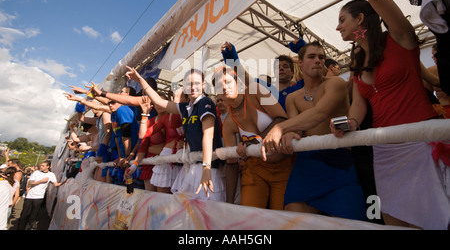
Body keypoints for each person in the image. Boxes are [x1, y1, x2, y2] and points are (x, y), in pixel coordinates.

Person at [313, 0, 449, 229]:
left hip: (420, 143)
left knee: (432, 220)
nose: (337, 28)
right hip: (384, 148)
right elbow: (360, 107)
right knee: (393, 221)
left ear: (360, 19)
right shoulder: (357, 63)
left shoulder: (401, 38)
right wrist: (349, 124)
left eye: (342, 20)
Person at [262, 41, 366, 220]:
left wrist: (281, 128)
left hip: (339, 161)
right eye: (311, 57)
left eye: (321, 57)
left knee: (351, 223)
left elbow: (320, 113)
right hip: (307, 163)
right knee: (295, 219)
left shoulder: (336, 83)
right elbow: (298, 128)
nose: (318, 61)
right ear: (300, 63)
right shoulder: (292, 98)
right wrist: (290, 135)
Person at [126, 66, 226, 201]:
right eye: (189, 84)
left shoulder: (205, 102)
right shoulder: (186, 107)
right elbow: (159, 101)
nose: (193, 87)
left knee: (206, 215)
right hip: (194, 166)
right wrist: (139, 80)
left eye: (197, 83)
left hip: (209, 168)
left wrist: (206, 168)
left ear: (203, 85)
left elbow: (208, 135)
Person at [213, 65, 294, 210]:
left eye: (228, 82)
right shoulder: (228, 124)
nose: (224, 87)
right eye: (219, 85)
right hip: (255, 169)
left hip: (284, 165)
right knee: (250, 217)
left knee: (282, 220)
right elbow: (231, 163)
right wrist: (229, 204)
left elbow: (282, 118)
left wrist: (252, 142)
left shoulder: (255, 91)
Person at [17, 161, 66, 230]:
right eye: (41, 165)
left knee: (34, 215)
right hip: (30, 196)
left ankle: (29, 226)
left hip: (39, 197)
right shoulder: (36, 173)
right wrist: (41, 181)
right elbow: (30, 183)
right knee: (24, 214)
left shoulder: (51, 175)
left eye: (43, 166)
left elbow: (56, 184)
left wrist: (65, 181)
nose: (41, 167)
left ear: (48, 167)